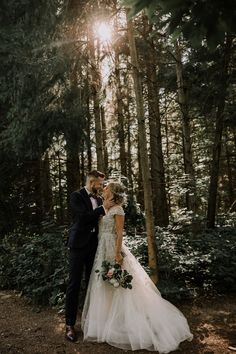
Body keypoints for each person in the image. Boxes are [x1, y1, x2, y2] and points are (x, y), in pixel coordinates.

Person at [81, 182, 193, 353]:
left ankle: (124, 322)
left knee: (119, 285)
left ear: (112, 192)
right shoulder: (104, 208)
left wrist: (118, 254)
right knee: (103, 284)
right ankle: (106, 322)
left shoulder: (118, 210)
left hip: (113, 249)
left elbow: (119, 233)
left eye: (106, 187)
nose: (103, 188)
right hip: (101, 249)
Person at [65, 170, 114, 342]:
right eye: (100, 184)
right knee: (74, 284)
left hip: (95, 246)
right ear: (92, 182)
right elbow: (82, 217)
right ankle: (70, 324)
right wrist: (102, 208)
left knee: (93, 283)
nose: (101, 187)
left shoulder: (100, 199)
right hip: (78, 245)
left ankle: (90, 322)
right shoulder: (76, 196)